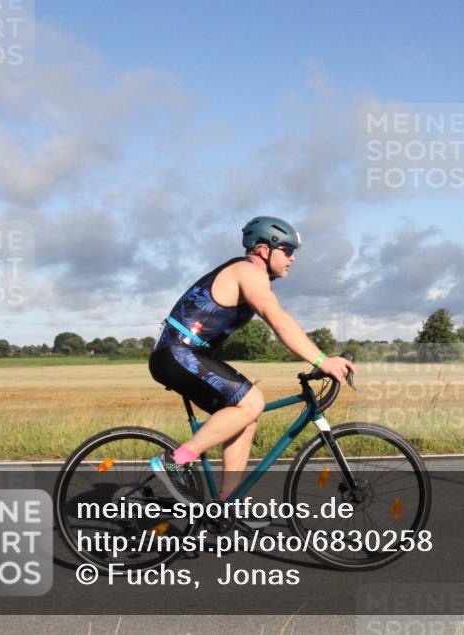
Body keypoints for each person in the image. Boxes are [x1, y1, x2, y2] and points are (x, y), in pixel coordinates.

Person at [148, 216, 354, 507]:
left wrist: (319, 359)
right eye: (287, 250)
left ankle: (226, 506)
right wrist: (323, 360)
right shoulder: (247, 272)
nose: (292, 259)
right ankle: (175, 461)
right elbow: (278, 321)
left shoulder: (254, 276)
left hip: (190, 356)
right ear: (263, 250)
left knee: (245, 418)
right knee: (252, 401)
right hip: (178, 355)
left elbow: (284, 321)